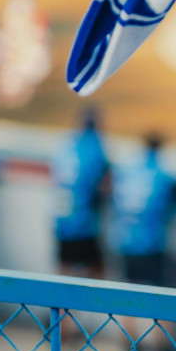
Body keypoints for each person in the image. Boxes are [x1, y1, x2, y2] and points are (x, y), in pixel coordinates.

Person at [110, 133, 176, 346]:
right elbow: (170, 205)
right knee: (163, 293)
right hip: (152, 243)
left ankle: (128, 340)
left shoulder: (128, 173)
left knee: (129, 292)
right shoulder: (161, 175)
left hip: (126, 241)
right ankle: (161, 343)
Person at [52, 107, 110, 280]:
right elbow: (104, 184)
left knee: (65, 266)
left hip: (62, 217)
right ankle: (92, 307)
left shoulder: (67, 144)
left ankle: (60, 307)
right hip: (83, 220)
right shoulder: (94, 146)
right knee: (95, 268)